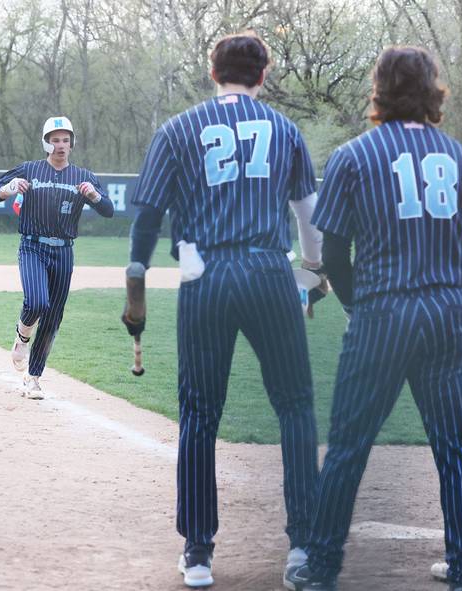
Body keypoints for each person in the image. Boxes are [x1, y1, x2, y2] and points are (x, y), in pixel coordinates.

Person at [121, 32, 325, 588]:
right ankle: (304, 547)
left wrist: (136, 277)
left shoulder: (178, 129)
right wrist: (312, 273)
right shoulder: (284, 130)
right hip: (266, 272)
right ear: (264, 76)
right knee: (296, 407)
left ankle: (198, 552)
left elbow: (147, 217)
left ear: (214, 73)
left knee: (200, 413)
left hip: (204, 276)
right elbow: (308, 215)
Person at [285, 46, 462, 591]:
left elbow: (331, 255)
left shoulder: (355, 156)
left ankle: (322, 565)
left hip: (383, 313)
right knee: (460, 450)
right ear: (432, 90)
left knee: (350, 445)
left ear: (378, 90)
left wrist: (356, 305)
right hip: (447, 313)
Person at [0, 116, 114, 398]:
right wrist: (11, 188)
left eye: (65, 140)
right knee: (37, 302)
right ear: (46, 142)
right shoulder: (30, 169)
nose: (60, 145)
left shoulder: (83, 177)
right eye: (55, 140)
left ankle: (32, 378)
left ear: (72, 144)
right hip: (33, 246)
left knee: (53, 316)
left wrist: (94, 196)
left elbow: (108, 209)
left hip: (64, 251)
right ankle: (22, 338)